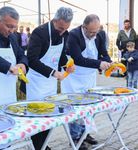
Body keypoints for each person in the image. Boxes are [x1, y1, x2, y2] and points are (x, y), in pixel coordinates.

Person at [61, 14, 112, 150]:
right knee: (76, 108)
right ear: (84, 27)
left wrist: (109, 63)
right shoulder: (73, 35)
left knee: (89, 106)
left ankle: (85, 133)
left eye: (96, 32)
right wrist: (99, 64)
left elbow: (103, 52)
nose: (93, 35)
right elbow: (78, 59)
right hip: (74, 76)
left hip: (89, 76)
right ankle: (76, 138)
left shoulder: (99, 34)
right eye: (91, 32)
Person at [26, 7, 74, 150]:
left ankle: (44, 145)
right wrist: (53, 72)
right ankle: (39, 146)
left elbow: (60, 55)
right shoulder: (39, 33)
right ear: (54, 20)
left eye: (65, 29)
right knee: (37, 117)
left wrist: (66, 66)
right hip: (37, 81)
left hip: (50, 83)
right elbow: (32, 60)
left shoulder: (65, 34)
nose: (62, 32)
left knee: (49, 116)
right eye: (60, 28)